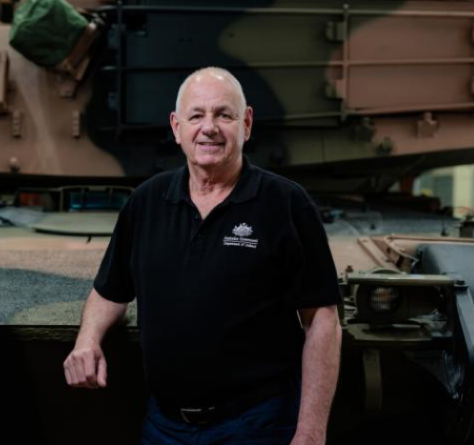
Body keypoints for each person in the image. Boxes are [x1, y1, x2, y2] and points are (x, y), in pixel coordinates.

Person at [64, 67, 342, 445]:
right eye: (196, 115)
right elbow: (110, 291)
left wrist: (310, 433)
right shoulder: (147, 201)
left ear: (246, 124)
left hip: (256, 424)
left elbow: (322, 320)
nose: (208, 127)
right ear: (177, 127)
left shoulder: (285, 204)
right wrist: (88, 340)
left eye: (223, 115)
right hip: (164, 425)